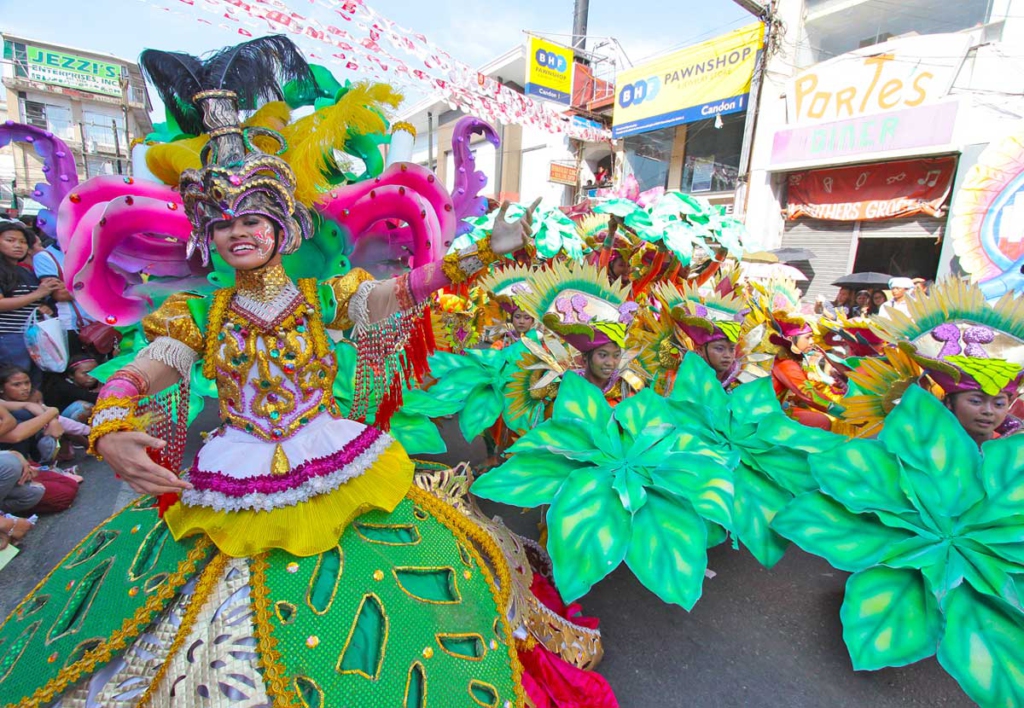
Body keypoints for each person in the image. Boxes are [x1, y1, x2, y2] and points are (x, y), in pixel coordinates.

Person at [0, 40, 615, 707]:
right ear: (208, 230)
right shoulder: (201, 312)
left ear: (280, 224)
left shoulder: (322, 297)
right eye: (224, 221)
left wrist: (469, 262)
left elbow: (393, 295)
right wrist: (113, 418)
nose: (240, 233)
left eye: (252, 218)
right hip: (235, 474)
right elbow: (156, 364)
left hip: (332, 459)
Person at [0, 219, 58, 386]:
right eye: (10, 240)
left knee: (33, 383)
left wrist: (42, 306)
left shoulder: (25, 271)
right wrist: (37, 294)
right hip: (8, 338)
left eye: (23, 242)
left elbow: (33, 300)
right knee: (15, 382)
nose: (18, 245)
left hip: (32, 337)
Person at [33, 236, 100, 357]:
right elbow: (60, 294)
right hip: (71, 325)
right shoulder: (46, 256)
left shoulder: (94, 253)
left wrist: (76, 288)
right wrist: (97, 286)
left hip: (100, 322)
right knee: (78, 367)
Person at [41, 353, 100, 423]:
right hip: (56, 419)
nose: (92, 376)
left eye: (95, 372)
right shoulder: (64, 387)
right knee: (87, 407)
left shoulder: (86, 383)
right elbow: (92, 397)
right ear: (71, 375)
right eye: (86, 373)